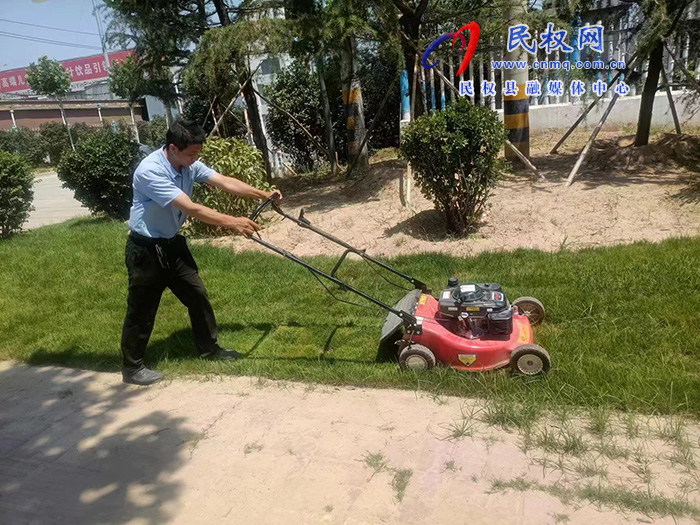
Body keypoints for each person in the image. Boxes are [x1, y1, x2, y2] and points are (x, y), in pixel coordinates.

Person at [121, 119, 281, 386]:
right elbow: (191, 208)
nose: (196, 159)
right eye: (192, 154)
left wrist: (262, 194)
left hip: (172, 244)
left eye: (198, 153)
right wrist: (233, 222)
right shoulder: (150, 171)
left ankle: (209, 348)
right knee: (142, 309)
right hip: (146, 251)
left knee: (196, 295)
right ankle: (132, 367)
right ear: (173, 148)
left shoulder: (188, 163)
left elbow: (223, 181)